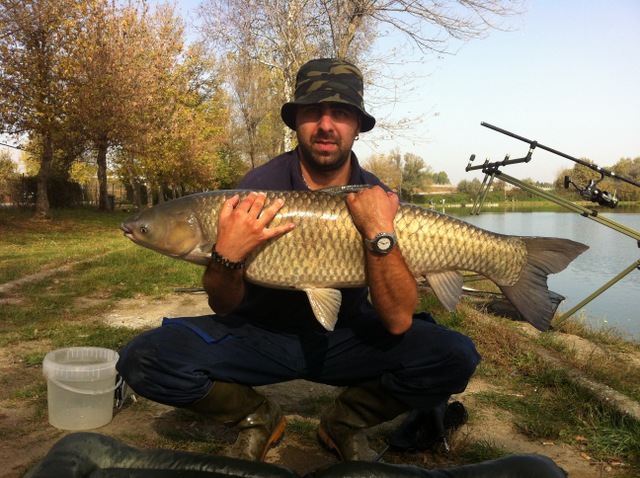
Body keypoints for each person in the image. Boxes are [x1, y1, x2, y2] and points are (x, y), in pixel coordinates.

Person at [116, 58, 481, 463]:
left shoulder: (378, 196)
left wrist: (380, 234)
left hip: (349, 336)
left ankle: (345, 422)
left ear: (357, 125)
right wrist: (227, 256)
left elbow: (397, 320)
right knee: (144, 359)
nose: (326, 125)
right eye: (312, 112)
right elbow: (223, 305)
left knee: (454, 355)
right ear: (296, 121)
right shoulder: (257, 190)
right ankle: (257, 419)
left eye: (340, 113)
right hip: (259, 334)